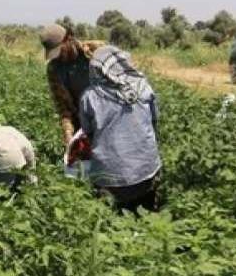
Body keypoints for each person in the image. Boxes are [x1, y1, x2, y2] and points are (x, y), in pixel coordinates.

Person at [79, 46, 163, 214]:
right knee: (146, 217)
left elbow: (88, 133)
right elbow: (154, 121)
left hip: (110, 178)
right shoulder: (143, 87)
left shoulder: (90, 97)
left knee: (113, 221)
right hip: (145, 171)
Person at [40, 24, 109, 149]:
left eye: (60, 51)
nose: (59, 56)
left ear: (68, 39)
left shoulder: (95, 52)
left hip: (109, 120)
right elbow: (63, 107)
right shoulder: (54, 69)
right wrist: (68, 133)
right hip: (82, 125)